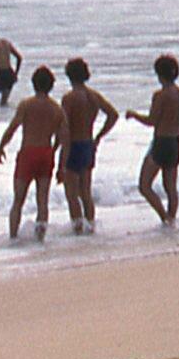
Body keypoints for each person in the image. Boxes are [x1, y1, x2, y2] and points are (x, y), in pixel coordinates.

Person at [0, 67, 68, 241]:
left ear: (33, 84)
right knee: (42, 201)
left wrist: (1, 146)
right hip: (46, 153)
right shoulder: (57, 109)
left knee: (18, 199)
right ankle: (39, 238)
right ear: (51, 86)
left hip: (28, 153)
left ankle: (13, 237)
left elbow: (12, 128)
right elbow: (65, 141)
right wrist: (62, 167)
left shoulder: (26, 105)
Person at [57, 58, 120, 233]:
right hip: (88, 144)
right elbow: (113, 115)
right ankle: (90, 226)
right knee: (85, 191)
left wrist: (59, 157)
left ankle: (77, 228)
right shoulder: (94, 96)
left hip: (73, 146)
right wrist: (99, 136)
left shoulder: (69, 98)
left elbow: (64, 129)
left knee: (71, 194)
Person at [127, 55, 179, 226]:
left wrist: (134, 115)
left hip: (161, 142)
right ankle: (171, 218)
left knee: (144, 185)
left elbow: (151, 121)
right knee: (171, 188)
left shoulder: (160, 95)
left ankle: (164, 217)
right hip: (175, 142)